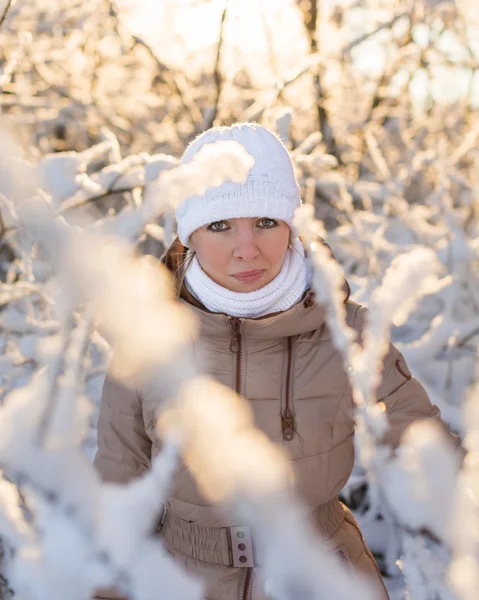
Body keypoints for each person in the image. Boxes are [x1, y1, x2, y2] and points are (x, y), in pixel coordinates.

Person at [94, 123, 458, 600]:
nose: (248, 249)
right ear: (189, 234)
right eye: (220, 225)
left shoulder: (348, 333)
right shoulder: (148, 340)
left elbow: (431, 457)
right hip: (179, 580)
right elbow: (118, 489)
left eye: (265, 221)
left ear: (290, 224)